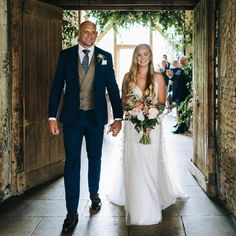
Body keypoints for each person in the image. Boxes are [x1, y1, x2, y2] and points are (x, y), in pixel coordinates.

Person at [48, 21, 123, 233]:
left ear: (96, 35)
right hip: (72, 118)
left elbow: (113, 89)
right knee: (72, 162)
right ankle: (71, 211)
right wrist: (52, 116)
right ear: (79, 33)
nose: (89, 36)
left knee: (95, 157)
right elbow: (57, 87)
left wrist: (118, 117)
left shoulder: (104, 57)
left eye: (93, 33)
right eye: (85, 32)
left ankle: (93, 193)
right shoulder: (66, 55)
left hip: (95, 118)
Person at [109, 44, 186, 225]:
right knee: (135, 162)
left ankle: (151, 200)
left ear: (151, 56)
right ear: (135, 57)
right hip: (133, 128)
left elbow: (161, 103)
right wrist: (134, 109)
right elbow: (124, 102)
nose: (142, 58)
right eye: (139, 54)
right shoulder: (128, 77)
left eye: (146, 54)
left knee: (150, 160)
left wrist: (150, 111)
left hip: (152, 127)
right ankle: (136, 199)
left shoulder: (158, 77)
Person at [166, 56, 190, 134]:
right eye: (180, 61)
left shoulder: (187, 70)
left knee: (182, 111)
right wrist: (170, 76)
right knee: (178, 111)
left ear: (186, 61)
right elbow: (173, 78)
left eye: (183, 60)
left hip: (182, 94)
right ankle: (181, 125)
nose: (181, 62)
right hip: (176, 94)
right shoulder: (178, 70)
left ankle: (181, 127)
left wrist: (175, 76)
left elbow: (184, 79)